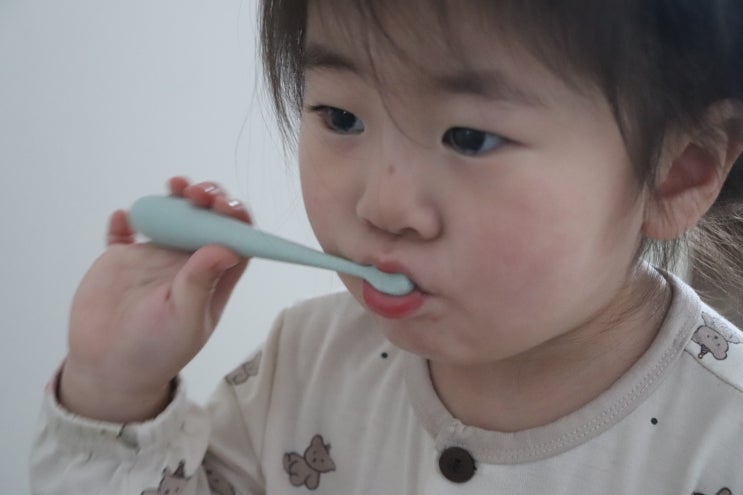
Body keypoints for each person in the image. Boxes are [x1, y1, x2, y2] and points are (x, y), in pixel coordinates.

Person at [31, 1, 743, 493]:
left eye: (469, 137)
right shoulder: (301, 364)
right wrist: (114, 394)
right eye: (341, 117)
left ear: (678, 169)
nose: (381, 205)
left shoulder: (722, 438)